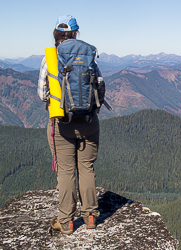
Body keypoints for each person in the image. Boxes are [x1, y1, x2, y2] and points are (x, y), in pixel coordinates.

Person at [38, 15, 104, 235]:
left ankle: (66, 221)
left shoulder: (51, 56)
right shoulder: (88, 56)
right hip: (88, 121)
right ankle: (91, 215)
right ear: (76, 33)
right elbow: (100, 86)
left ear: (57, 34)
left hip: (61, 124)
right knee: (86, 168)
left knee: (65, 172)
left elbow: (41, 94)